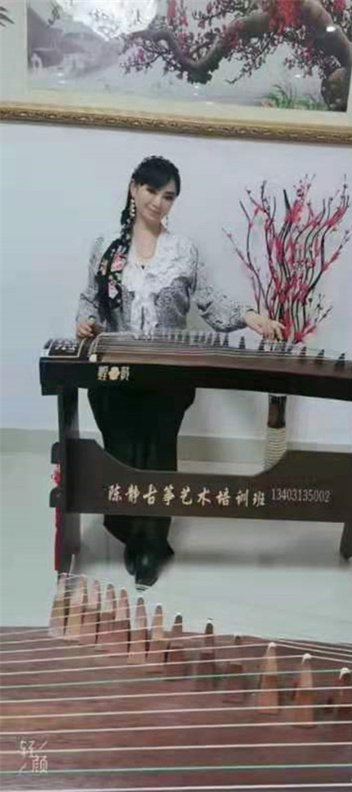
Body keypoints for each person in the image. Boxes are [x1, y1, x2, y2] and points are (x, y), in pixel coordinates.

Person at [76, 156, 282, 588]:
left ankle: (150, 546)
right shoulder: (106, 246)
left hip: (167, 374)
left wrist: (249, 316)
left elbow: (209, 301)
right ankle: (131, 531)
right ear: (134, 188)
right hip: (115, 371)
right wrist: (85, 322)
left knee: (157, 455)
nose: (158, 202)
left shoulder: (183, 250)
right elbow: (90, 300)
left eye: (168, 196)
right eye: (151, 191)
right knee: (122, 452)